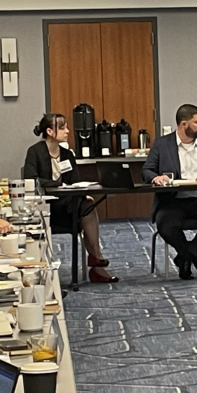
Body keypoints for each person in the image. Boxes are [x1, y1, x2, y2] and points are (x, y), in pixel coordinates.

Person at [23, 113, 116, 284]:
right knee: (84, 208)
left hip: (68, 205)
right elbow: (30, 179)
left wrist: (82, 190)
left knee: (88, 204)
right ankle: (97, 262)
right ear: (50, 131)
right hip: (46, 207)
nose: (67, 131)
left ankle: (96, 259)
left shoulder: (67, 154)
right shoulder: (35, 152)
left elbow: (75, 180)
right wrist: (57, 184)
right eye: (63, 127)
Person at [143, 104, 197, 279]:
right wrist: (155, 178)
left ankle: (186, 257)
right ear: (183, 124)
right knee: (167, 226)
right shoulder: (162, 144)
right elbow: (146, 170)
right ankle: (193, 257)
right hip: (172, 201)